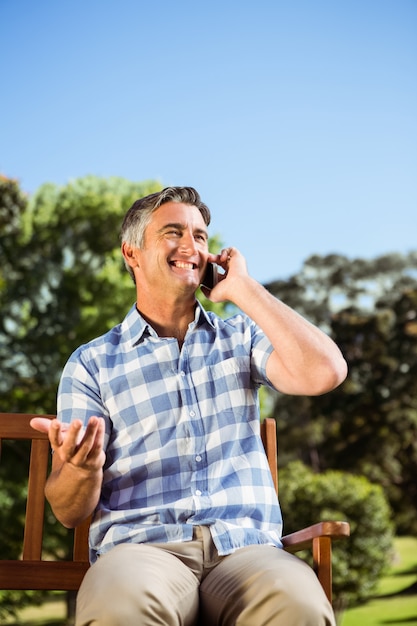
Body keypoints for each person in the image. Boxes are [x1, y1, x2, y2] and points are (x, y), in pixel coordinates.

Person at [31, 186, 347, 626]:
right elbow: (68, 511)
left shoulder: (242, 338)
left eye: (200, 236)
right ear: (132, 252)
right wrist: (81, 470)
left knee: (299, 605)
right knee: (120, 609)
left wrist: (245, 289)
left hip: (246, 552)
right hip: (141, 551)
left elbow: (326, 372)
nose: (191, 246)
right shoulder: (92, 363)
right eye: (173, 232)